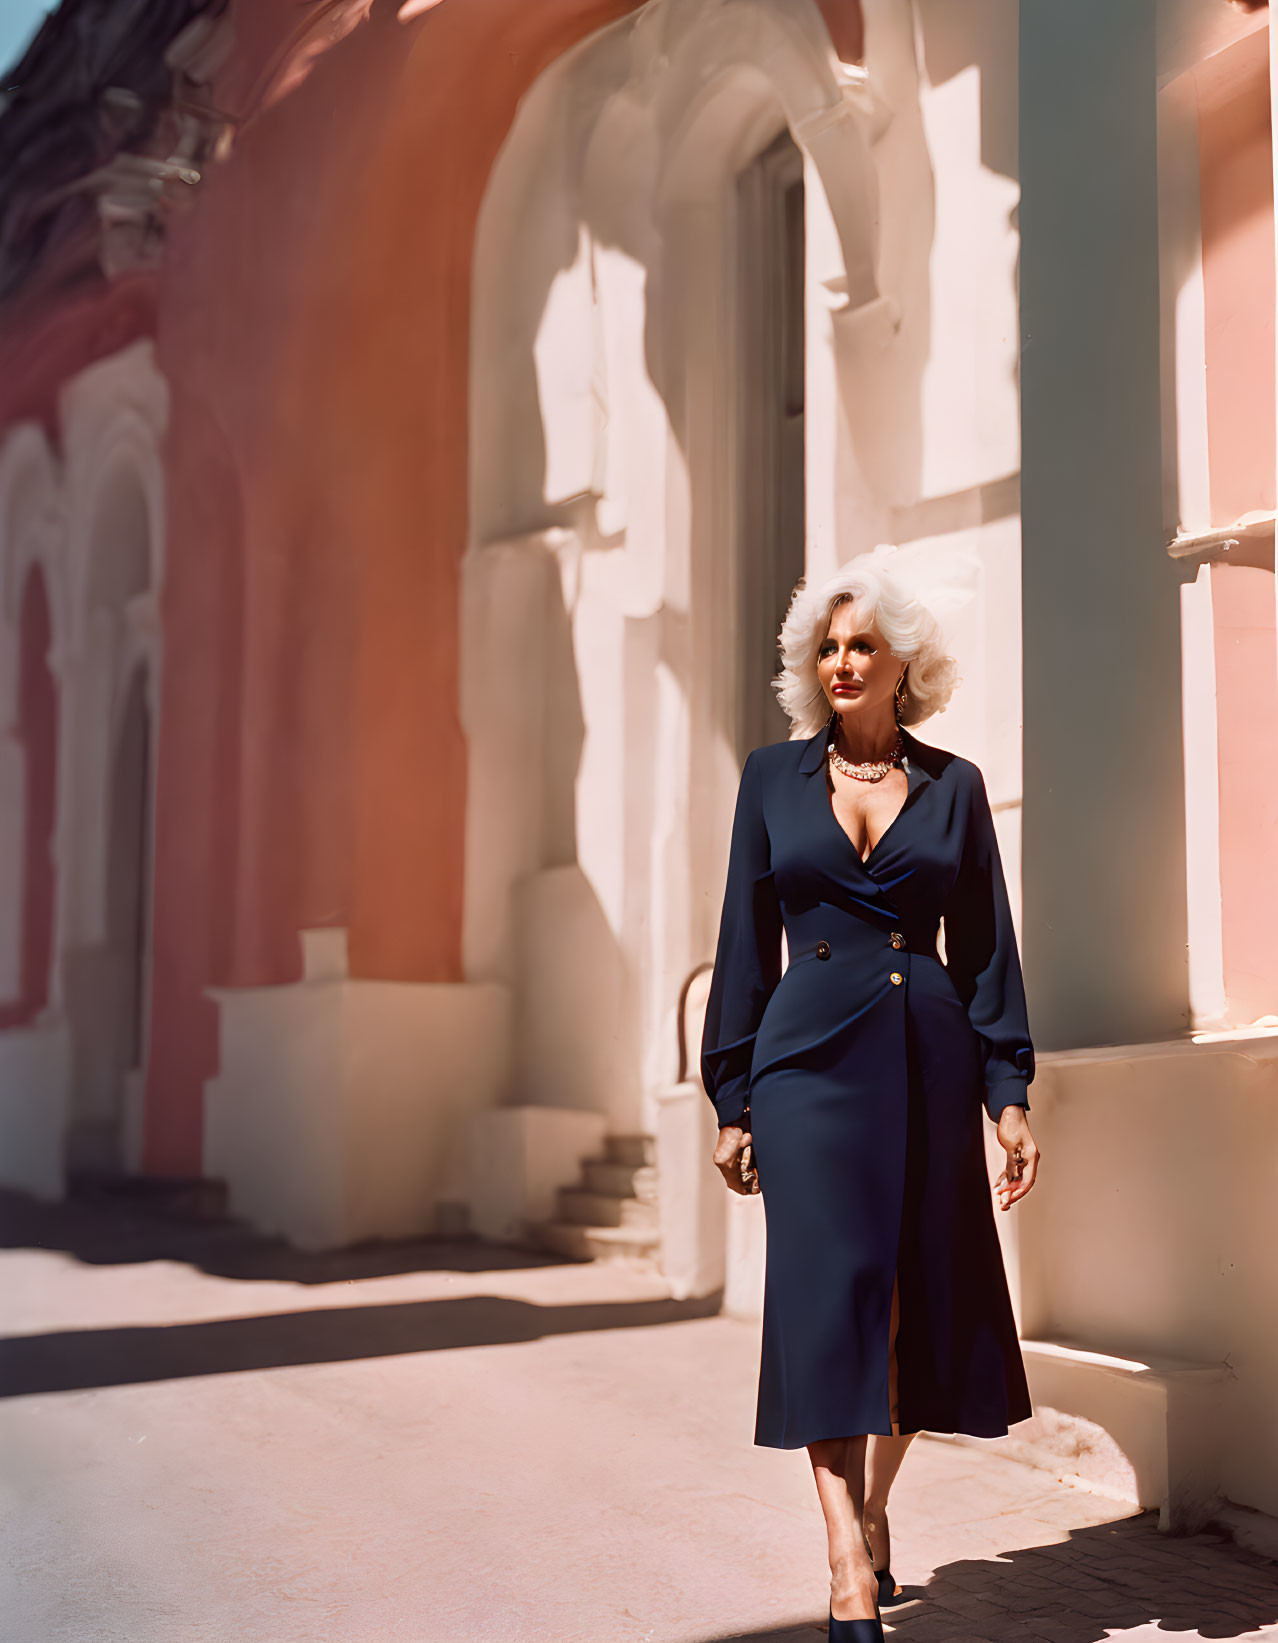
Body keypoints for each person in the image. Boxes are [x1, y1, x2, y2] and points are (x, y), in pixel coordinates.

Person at [700, 549, 1041, 1642]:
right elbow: (745, 945)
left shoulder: (957, 786)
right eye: (828, 647)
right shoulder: (770, 778)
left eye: (863, 645)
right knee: (827, 1295)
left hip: (929, 1058)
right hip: (806, 1066)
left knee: (912, 1307)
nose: (843, 662)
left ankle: (877, 1509)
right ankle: (846, 1556)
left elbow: (986, 949)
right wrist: (732, 1095)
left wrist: (1009, 1089)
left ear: (904, 662)